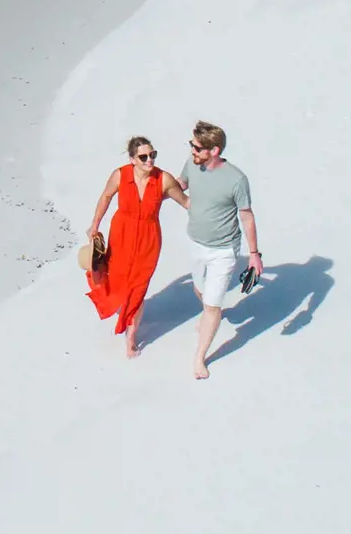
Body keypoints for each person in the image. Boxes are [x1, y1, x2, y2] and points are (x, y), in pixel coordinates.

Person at [175, 120, 259, 380]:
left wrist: (254, 255)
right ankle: (211, 312)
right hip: (195, 242)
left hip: (224, 249)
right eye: (192, 145)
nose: (192, 151)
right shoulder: (192, 164)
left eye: (197, 148)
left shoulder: (236, 179)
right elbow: (180, 183)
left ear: (214, 150)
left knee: (212, 306)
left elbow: (246, 217)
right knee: (199, 289)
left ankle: (200, 357)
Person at [83, 135, 174, 354]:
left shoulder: (163, 179)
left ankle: (131, 337)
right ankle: (120, 306)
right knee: (116, 278)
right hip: (122, 233)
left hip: (149, 239)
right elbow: (106, 197)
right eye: (143, 156)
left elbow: (185, 200)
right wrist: (94, 225)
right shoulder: (120, 175)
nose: (149, 160)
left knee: (139, 286)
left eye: (153, 155)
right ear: (132, 159)